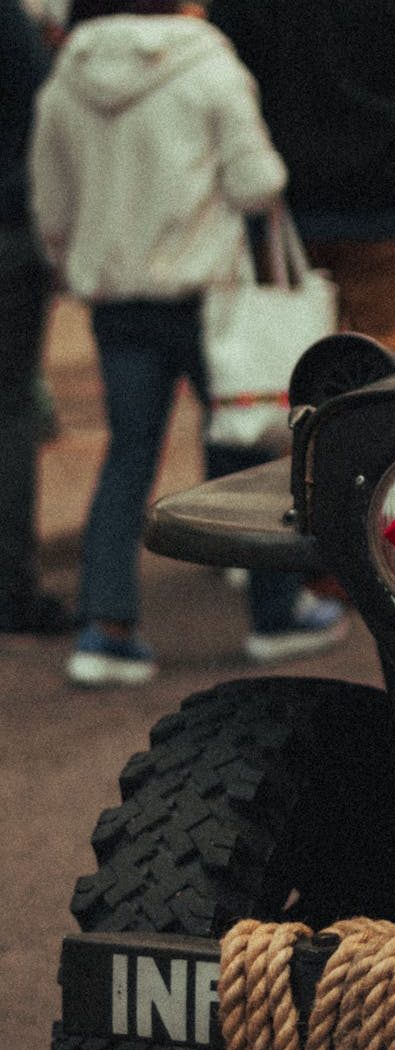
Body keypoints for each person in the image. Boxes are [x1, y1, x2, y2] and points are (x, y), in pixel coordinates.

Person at [30, 0, 347, 686]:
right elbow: (258, 181)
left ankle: (106, 629)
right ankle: (274, 617)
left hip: (115, 298)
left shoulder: (67, 75)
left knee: (128, 453)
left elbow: (50, 203)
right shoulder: (207, 64)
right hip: (209, 295)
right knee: (246, 446)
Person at [208, 0, 395, 368]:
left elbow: (227, 66)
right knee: (384, 362)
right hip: (391, 198)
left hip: (287, 207)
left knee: (289, 363)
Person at [0, 0, 71, 635]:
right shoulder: (11, 26)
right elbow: (40, 123)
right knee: (10, 409)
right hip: (7, 233)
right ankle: (9, 588)